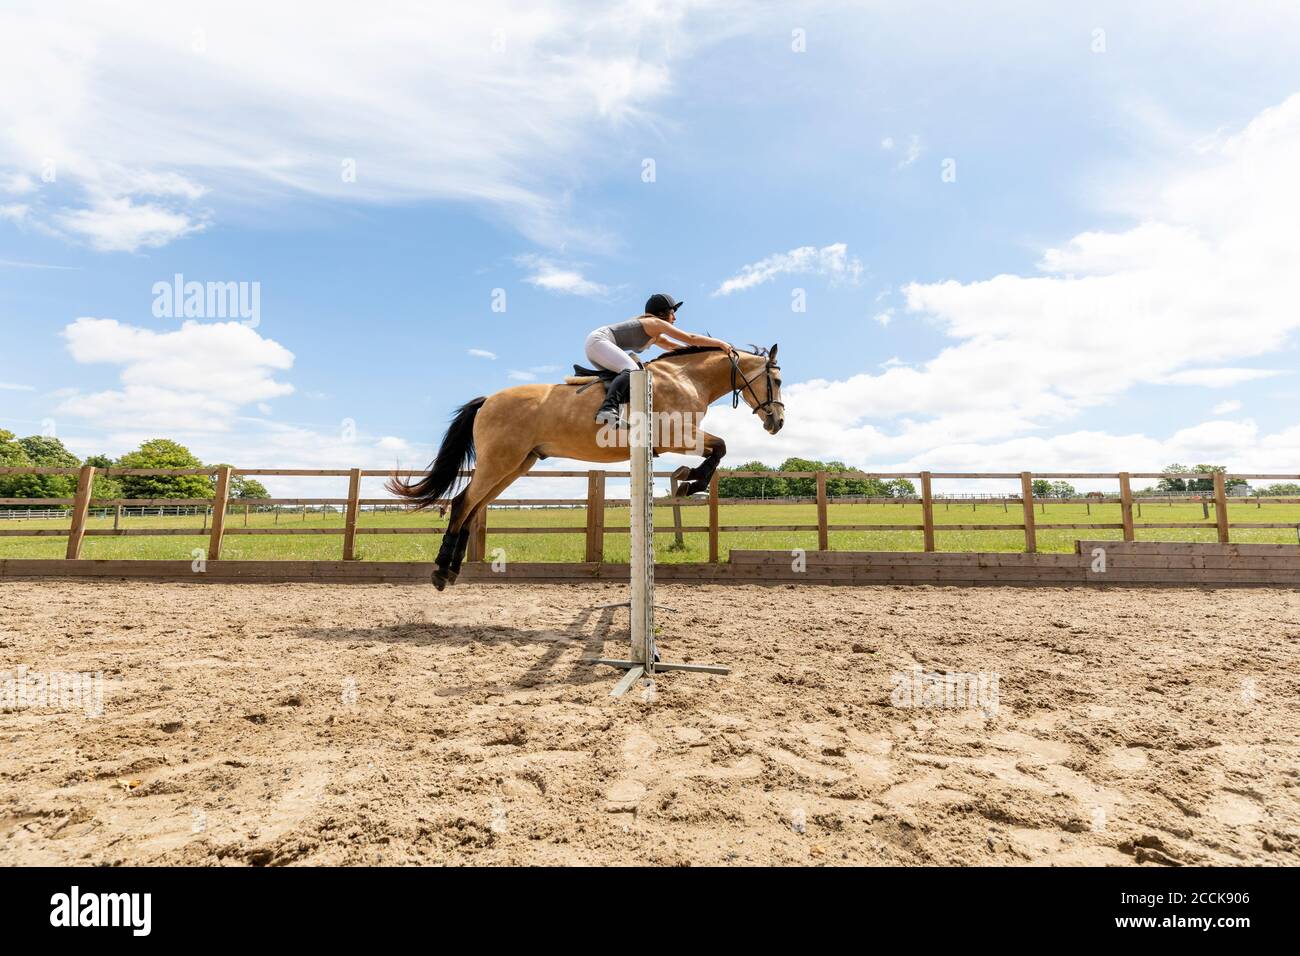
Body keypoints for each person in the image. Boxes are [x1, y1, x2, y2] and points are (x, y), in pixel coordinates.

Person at [586, 293, 731, 426]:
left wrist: (702, 358)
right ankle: (607, 409)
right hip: (598, 341)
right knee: (633, 371)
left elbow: (674, 347)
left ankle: (621, 414)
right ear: (662, 313)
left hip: (597, 345)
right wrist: (720, 343)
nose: (675, 318)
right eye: (672, 313)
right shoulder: (655, 323)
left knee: (635, 373)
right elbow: (690, 339)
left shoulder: (654, 333)